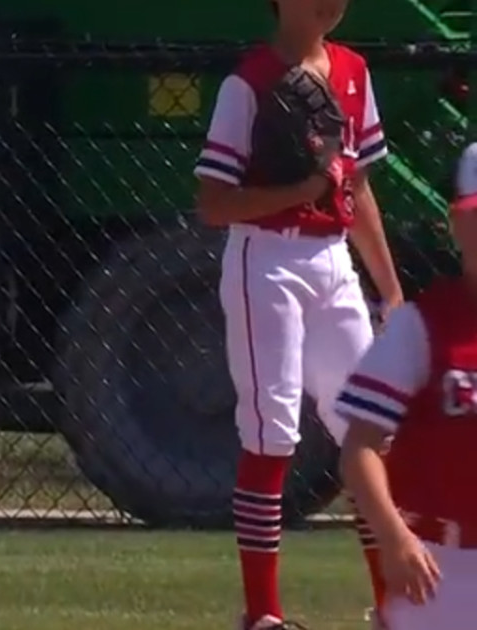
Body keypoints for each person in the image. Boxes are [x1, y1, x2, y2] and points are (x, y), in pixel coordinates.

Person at [193, 0, 403, 627]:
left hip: (334, 261)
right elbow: (213, 204)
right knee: (272, 431)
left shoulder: (353, 71)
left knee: (369, 430)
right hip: (267, 260)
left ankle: (393, 608)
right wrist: (300, 192)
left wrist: (389, 290)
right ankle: (263, 616)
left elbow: (357, 188)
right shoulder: (248, 82)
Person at [337, 143, 477, 630]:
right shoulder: (424, 324)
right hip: (441, 563)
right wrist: (393, 537)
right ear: (459, 227)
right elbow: (360, 446)